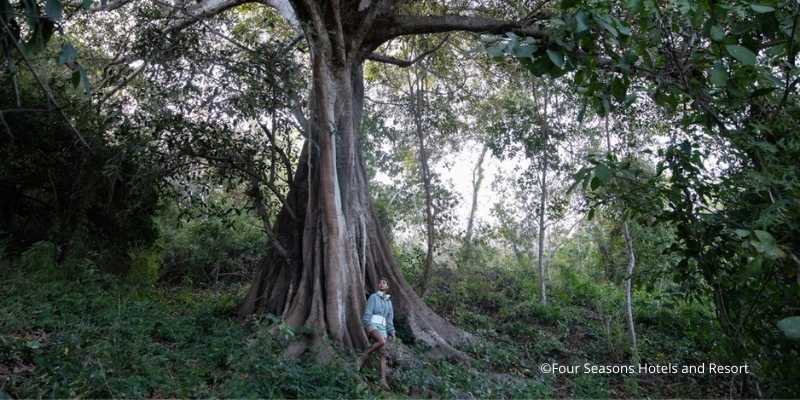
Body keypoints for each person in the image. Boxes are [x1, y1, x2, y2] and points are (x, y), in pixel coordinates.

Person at [358, 278, 395, 389]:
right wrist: (368, 325)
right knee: (382, 341)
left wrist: (392, 331)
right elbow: (368, 313)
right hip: (373, 325)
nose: (381, 284)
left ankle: (382, 381)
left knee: (383, 354)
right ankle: (363, 355)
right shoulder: (373, 297)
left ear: (387, 287)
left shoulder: (389, 302)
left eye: (384, 283)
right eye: (380, 282)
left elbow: (389, 319)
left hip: (383, 328)